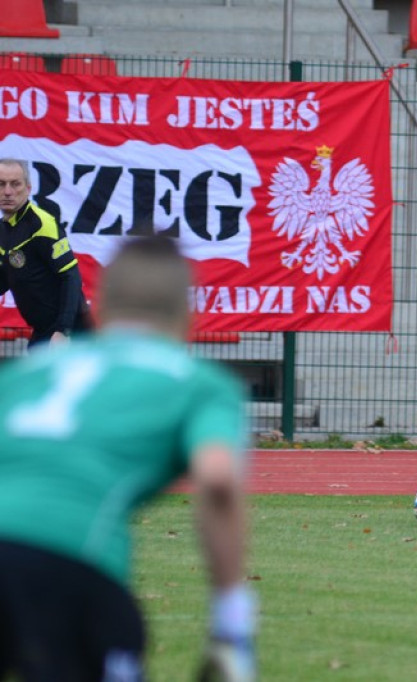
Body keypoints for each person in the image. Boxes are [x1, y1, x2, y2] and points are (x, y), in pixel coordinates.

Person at [0, 237, 256, 682]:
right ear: (186, 319)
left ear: (98, 309)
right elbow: (217, 478)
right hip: (72, 564)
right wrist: (232, 624)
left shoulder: (28, 372)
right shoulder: (199, 383)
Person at [0, 158, 93, 347]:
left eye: (15, 184)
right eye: (1, 184)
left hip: (71, 332)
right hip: (42, 330)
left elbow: (71, 276)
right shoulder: (4, 228)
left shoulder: (42, 224)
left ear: (28, 188)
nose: (8, 191)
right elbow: (9, 275)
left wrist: (63, 331)